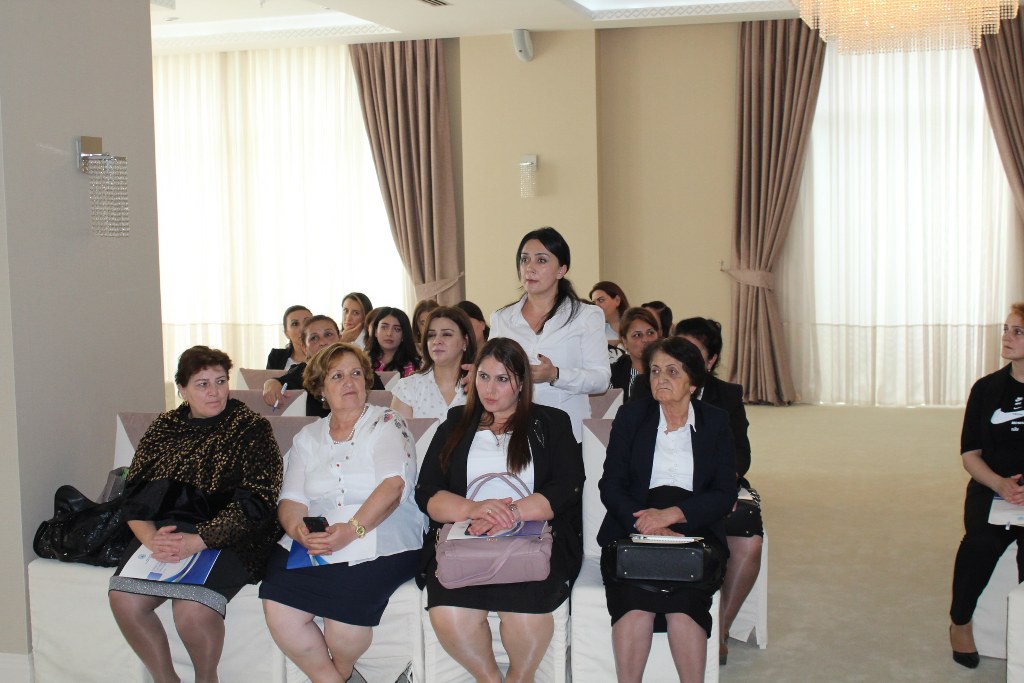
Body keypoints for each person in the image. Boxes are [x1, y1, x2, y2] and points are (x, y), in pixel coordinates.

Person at [109, 346, 283, 683]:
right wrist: (150, 538)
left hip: (234, 534)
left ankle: (207, 679)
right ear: (182, 390)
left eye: (220, 381)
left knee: (190, 611)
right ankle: (166, 679)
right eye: (202, 384)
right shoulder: (164, 428)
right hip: (168, 532)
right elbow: (135, 495)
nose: (214, 392)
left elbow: (258, 502)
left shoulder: (251, 428)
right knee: (124, 599)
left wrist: (199, 540)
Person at [416, 337, 585, 683]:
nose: (489, 389)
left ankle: (520, 678)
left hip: (530, 539)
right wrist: (475, 508)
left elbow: (569, 485)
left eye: (502, 379)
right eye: (483, 376)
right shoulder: (455, 423)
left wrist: (512, 513)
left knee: (525, 614)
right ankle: (490, 679)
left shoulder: (551, 422)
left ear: (521, 383)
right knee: (449, 612)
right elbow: (428, 491)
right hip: (466, 539)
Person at [260, 342, 425, 682]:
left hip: (383, 532)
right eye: (337, 376)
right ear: (320, 388)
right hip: (321, 537)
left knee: (342, 627)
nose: (348, 382)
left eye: (355, 374)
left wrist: (351, 530)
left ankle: (342, 671)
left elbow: (393, 486)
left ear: (366, 380)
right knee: (278, 603)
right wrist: (298, 530)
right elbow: (291, 499)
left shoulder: (387, 422)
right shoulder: (308, 437)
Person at [597, 336, 737, 683]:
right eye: (656, 370)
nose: (660, 378)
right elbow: (611, 485)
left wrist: (673, 515)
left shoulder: (715, 422)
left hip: (695, 530)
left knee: (684, 608)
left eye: (673, 372)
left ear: (693, 382)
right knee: (635, 606)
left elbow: (724, 493)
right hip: (633, 527)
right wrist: (647, 523)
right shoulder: (632, 417)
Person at [674, 316, 759, 665]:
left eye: (694, 353)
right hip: (670, 488)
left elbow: (742, 453)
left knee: (749, 540)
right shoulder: (654, 388)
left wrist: (720, 486)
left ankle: (722, 626)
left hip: (720, 484)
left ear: (710, 361)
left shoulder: (727, 395)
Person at [949, 302, 1024, 668]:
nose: (1006, 337)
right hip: (991, 486)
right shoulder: (986, 389)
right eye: (1006, 329)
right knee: (980, 542)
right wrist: (999, 483)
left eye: (1018, 332)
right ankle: (960, 622)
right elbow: (970, 454)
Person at [489, 227, 610, 442]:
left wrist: (555, 375)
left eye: (541, 260)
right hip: (512, 433)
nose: (530, 268)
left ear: (561, 270)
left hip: (567, 435)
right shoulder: (502, 318)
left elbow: (600, 379)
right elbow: (492, 370)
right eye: (524, 259)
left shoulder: (586, 316)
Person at [263, 315, 384, 417]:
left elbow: (382, 401)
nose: (323, 342)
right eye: (314, 338)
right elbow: (279, 382)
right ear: (305, 348)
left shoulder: (359, 368)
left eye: (328, 334)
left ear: (340, 339)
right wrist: (271, 383)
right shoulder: (302, 372)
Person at [391, 306, 477, 422]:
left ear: (465, 341)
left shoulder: (479, 385)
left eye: (446, 334)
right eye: (431, 335)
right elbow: (397, 432)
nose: (436, 341)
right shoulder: (408, 387)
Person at [610, 307, 659, 403]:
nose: (646, 340)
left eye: (650, 333)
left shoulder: (669, 371)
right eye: (637, 335)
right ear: (625, 341)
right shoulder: (613, 375)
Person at [367, 307, 421, 377]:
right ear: (375, 332)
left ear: (404, 335)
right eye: (384, 327)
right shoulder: (363, 361)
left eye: (397, 329)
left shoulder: (415, 367)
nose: (389, 333)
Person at [266, 305, 311, 370]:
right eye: (295, 324)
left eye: (307, 322)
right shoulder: (276, 357)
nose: (302, 328)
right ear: (286, 333)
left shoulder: (324, 356)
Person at [590, 281, 631, 350]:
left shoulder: (634, 325)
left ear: (617, 300)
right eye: (594, 303)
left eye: (601, 300)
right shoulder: (596, 331)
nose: (596, 306)